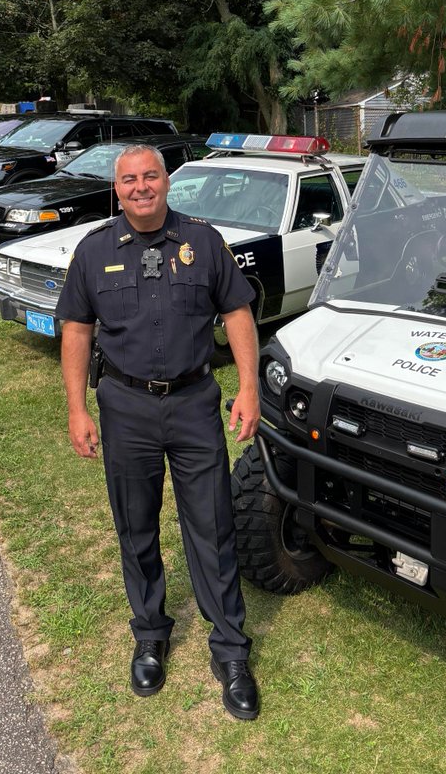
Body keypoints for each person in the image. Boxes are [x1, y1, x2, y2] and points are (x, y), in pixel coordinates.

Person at [59, 143, 261, 720]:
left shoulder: (203, 242)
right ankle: (150, 633)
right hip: (124, 407)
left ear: (167, 182)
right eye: (129, 179)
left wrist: (247, 388)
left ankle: (230, 650)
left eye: (150, 176)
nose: (140, 187)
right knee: (136, 526)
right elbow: (76, 330)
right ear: (116, 188)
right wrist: (78, 409)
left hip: (195, 403)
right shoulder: (94, 250)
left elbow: (239, 314)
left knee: (213, 526)